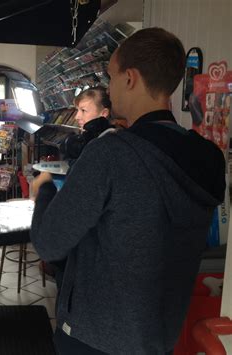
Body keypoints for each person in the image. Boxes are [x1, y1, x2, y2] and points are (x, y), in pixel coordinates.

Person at [30, 27, 225, 354]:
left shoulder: (110, 154)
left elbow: (50, 243)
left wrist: (45, 189)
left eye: (112, 77)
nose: (109, 89)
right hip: (159, 336)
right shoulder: (208, 158)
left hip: (93, 337)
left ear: (130, 78)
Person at [61, 87, 114, 164]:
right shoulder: (87, 139)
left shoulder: (107, 145)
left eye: (83, 110)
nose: (76, 117)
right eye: (77, 110)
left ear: (104, 113)